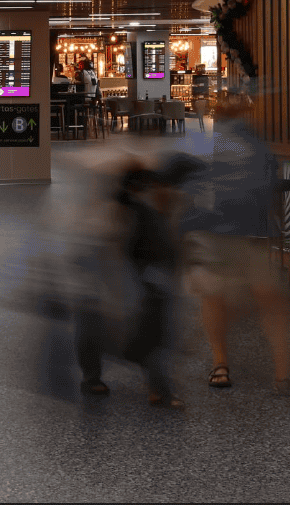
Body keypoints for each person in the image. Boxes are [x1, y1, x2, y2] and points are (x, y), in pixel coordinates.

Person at [178, 93, 290, 397]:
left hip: (213, 234)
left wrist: (185, 233)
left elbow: (190, 190)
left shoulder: (203, 143)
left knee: (216, 300)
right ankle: (282, 376)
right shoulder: (258, 146)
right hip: (252, 235)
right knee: (272, 303)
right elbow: (268, 190)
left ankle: (220, 365)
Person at [75, 163, 184, 408]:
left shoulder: (131, 213)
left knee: (98, 320)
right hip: (129, 290)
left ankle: (96, 378)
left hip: (128, 288)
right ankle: (157, 389)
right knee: (147, 334)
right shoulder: (140, 214)